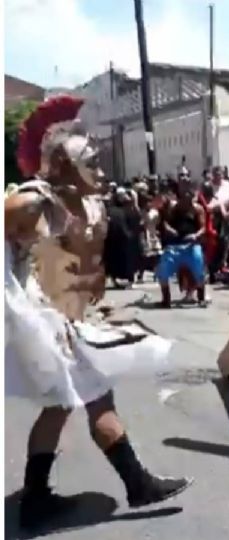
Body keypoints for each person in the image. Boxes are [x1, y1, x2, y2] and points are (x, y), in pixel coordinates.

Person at [5, 95, 190, 530]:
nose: (104, 172)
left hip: (72, 323)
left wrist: (97, 306)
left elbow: (85, 267)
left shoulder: (90, 205)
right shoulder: (33, 202)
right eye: (93, 162)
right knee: (95, 399)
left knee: (60, 407)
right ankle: (138, 484)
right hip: (48, 325)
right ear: (65, 167)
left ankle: (35, 498)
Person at [156, 180, 208, 308]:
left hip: (191, 245)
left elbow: (203, 227)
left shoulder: (197, 209)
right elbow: (164, 223)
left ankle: (201, 297)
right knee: (163, 270)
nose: (188, 198)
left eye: (190, 195)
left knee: (199, 267)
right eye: (185, 195)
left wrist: (196, 235)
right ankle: (166, 299)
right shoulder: (173, 208)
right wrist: (169, 229)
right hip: (174, 245)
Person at [104, 188, 143, 289]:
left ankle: (126, 279)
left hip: (126, 238)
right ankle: (118, 278)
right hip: (120, 238)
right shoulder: (114, 210)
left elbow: (137, 222)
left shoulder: (130, 209)